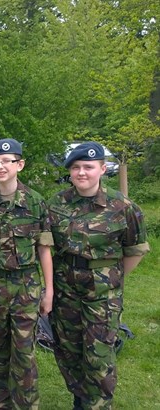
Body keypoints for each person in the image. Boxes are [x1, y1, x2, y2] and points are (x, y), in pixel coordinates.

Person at [47, 142, 150, 410]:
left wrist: (111, 279)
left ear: (102, 169)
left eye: (88, 167)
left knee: (99, 355)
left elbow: (135, 250)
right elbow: (46, 246)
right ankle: (80, 400)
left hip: (102, 296)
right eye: (76, 167)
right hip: (65, 291)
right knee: (68, 351)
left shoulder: (123, 206)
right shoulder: (57, 203)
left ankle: (99, 404)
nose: (82, 173)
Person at [0, 138, 54, 409]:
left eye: (7, 161)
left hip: (26, 287)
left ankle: (25, 404)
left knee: (24, 352)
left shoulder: (36, 203)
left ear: (20, 164)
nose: (1, 166)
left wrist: (48, 290)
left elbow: (44, 249)